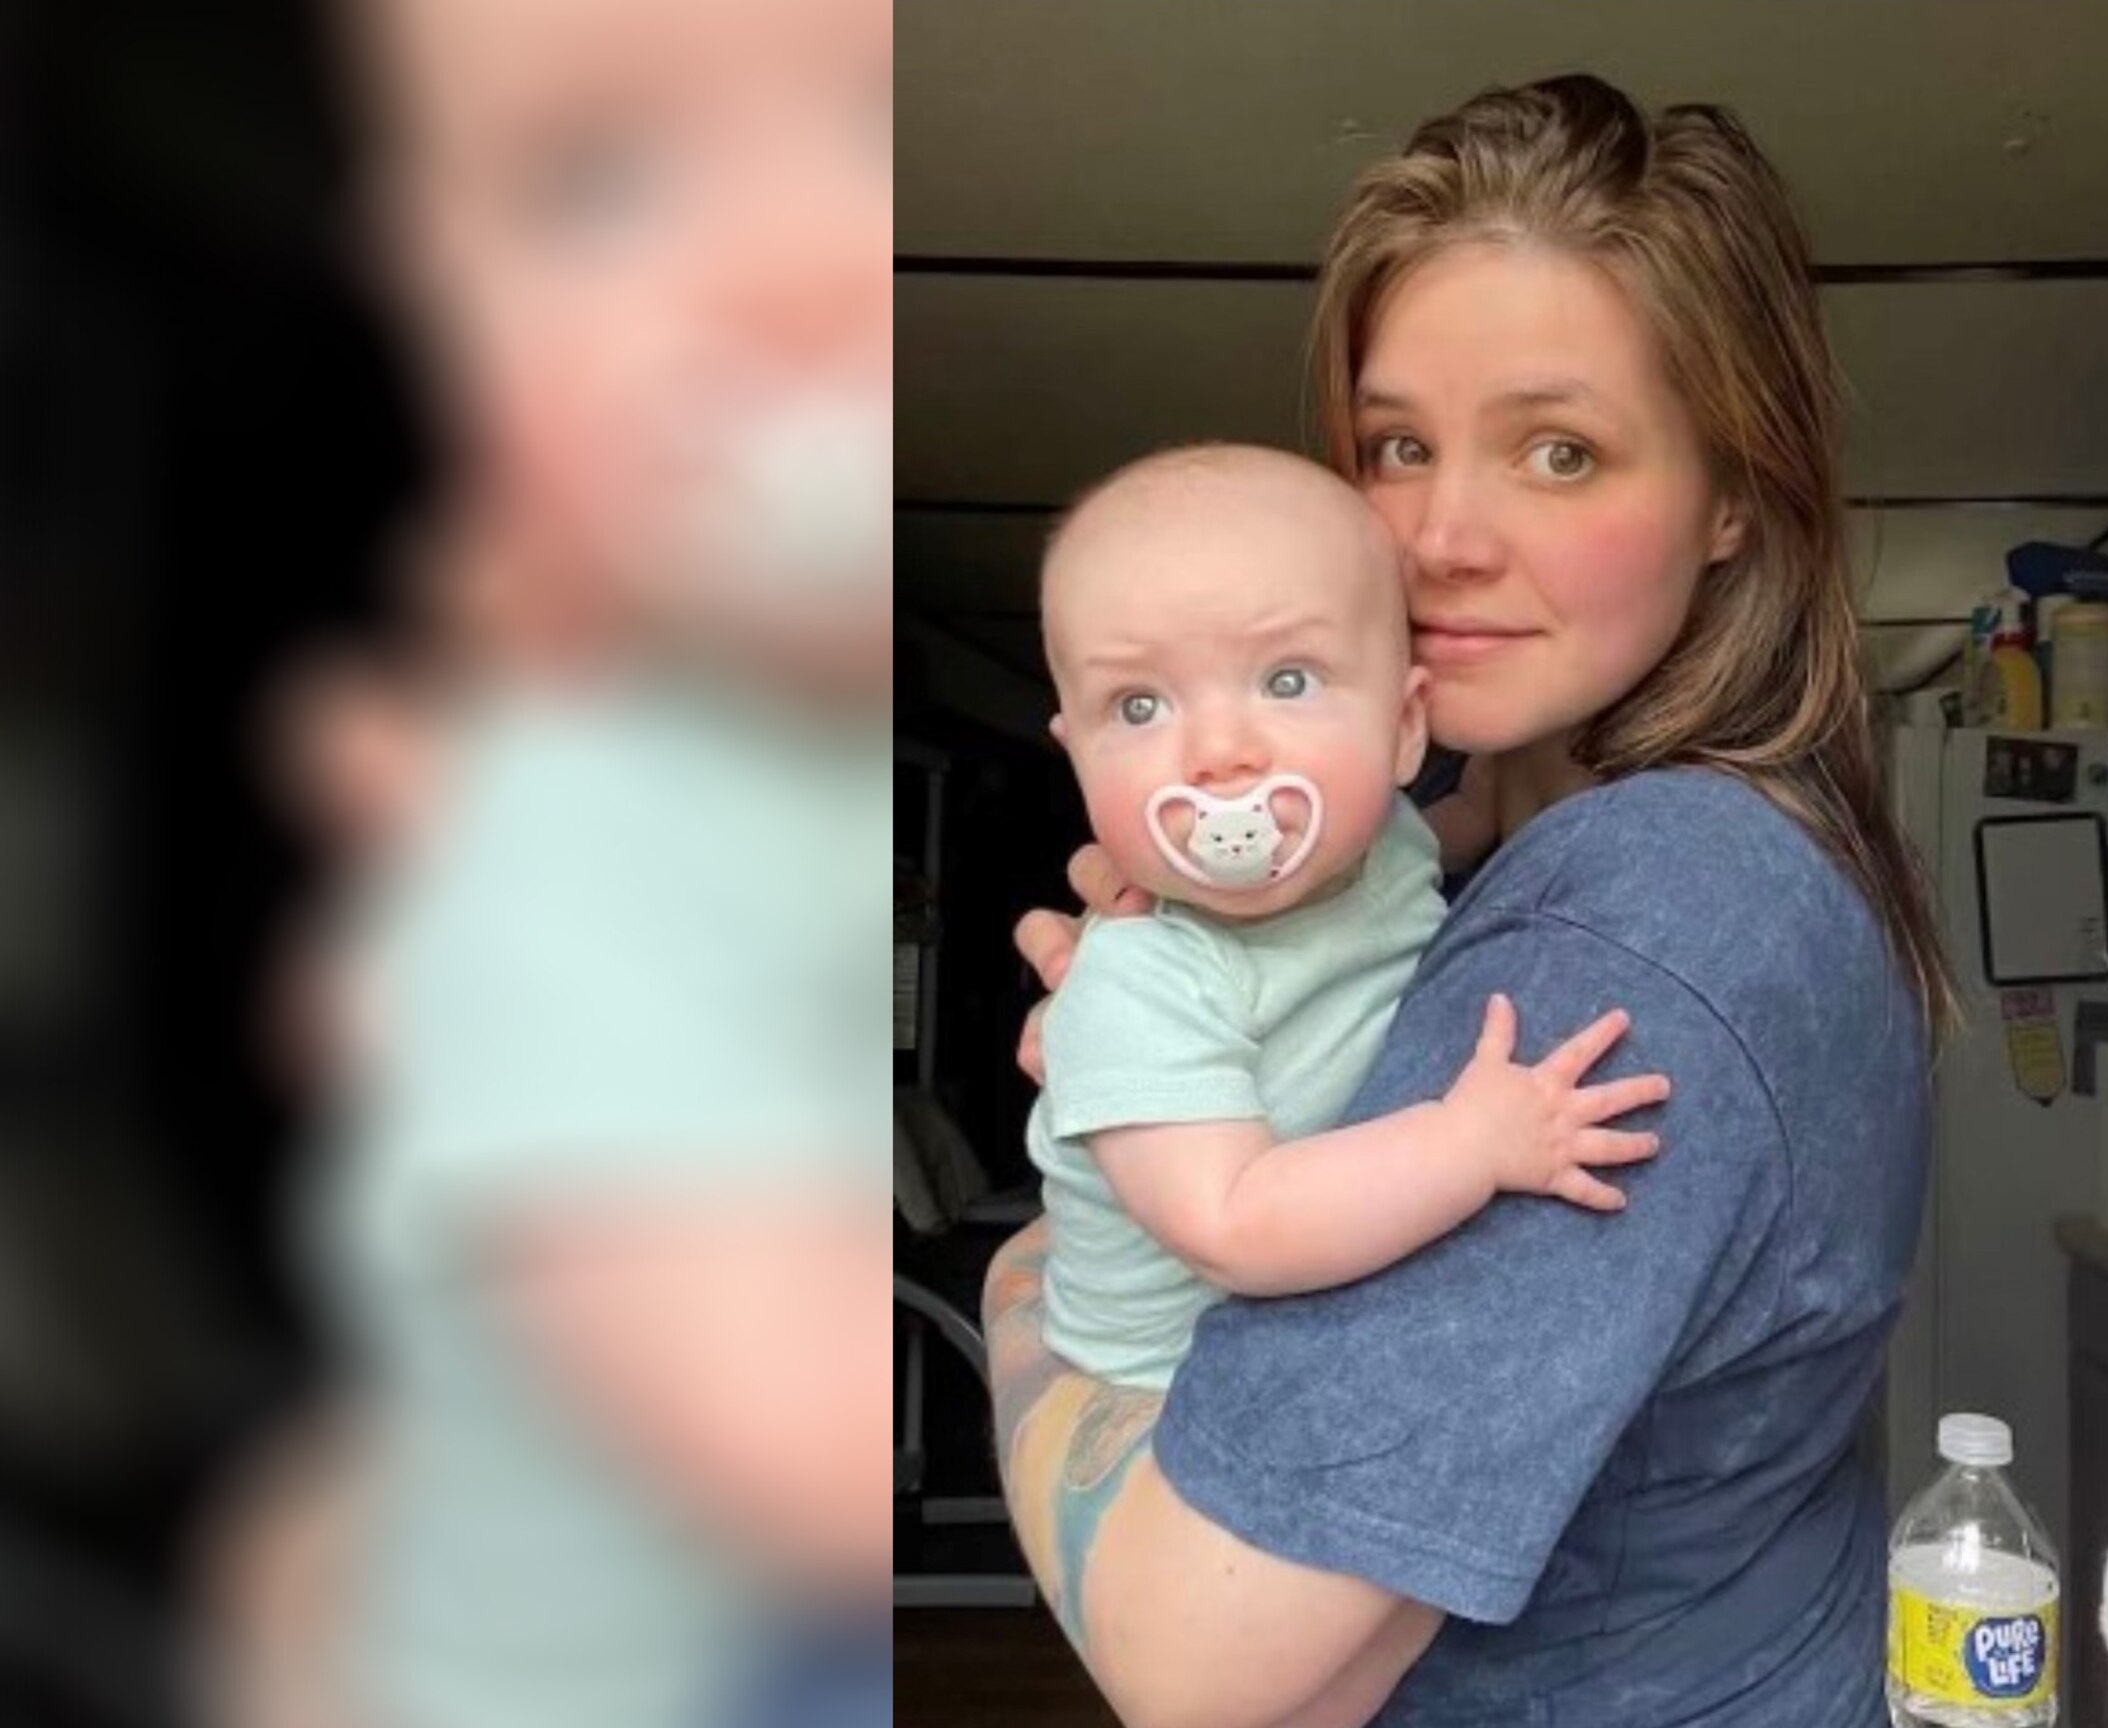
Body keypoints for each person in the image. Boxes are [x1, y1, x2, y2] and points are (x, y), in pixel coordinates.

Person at [989, 74, 1948, 1727]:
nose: (1438, 535)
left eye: (1558, 451)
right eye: (1394, 445)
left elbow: (1191, 1654)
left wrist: (1029, 1277)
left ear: (1734, 495)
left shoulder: (1640, 917)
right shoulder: (1478, 863)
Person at [197, 0, 896, 1724]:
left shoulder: (741, 769)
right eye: (597, 182)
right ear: (440, 304)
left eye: (881, 122)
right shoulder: (573, 831)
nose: (793, 262)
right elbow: (802, 1448)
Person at [1016, 444, 1671, 1643]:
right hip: (1164, 1386)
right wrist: (1469, 1145)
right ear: (1078, 754)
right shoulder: (1142, 978)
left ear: (1406, 726)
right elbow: (1240, 1222)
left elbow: (1466, 820)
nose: (1216, 755)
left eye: (1288, 679)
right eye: (1140, 706)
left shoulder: (1390, 849)